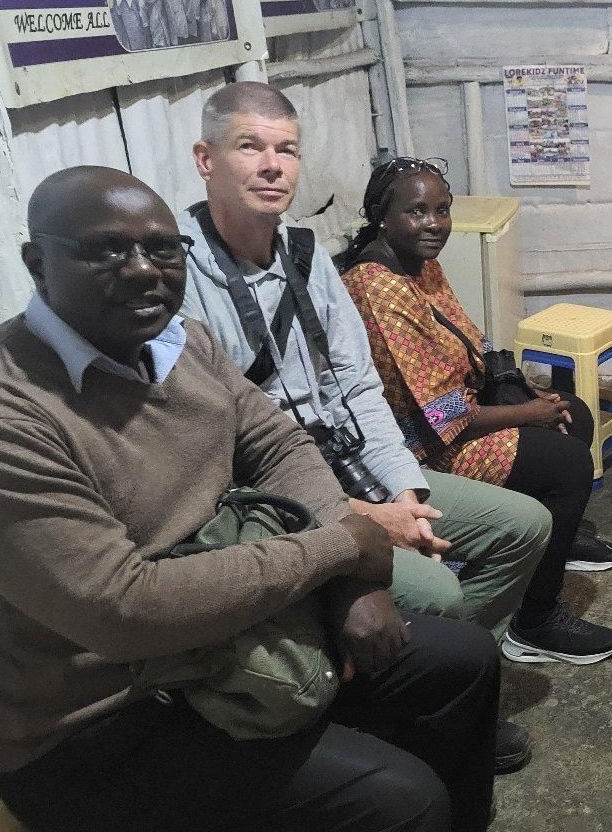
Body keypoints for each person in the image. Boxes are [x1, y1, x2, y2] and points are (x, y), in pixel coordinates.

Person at [0, 167, 501, 832]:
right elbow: (123, 608)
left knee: (465, 660)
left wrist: (353, 583)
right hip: (105, 711)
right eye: (107, 250)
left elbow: (280, 444)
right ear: (38, 262)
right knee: (405, 800)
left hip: (234, 635)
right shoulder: (15, 409)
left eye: (163, 248)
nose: (144, 270)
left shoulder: (184, 342)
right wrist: (342, 549)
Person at [177, 83, 549, 768]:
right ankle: (421, 693)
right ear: (206, 159)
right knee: (439, 588)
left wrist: (405, 492)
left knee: (523, 524)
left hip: (349, 458)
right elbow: (217, 453)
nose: (272, 166)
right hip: (265, 498)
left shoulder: (309, 255)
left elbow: (357, 388)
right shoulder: (178, 277)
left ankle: (437, 678)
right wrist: (367, 518)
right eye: (249, 147)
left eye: (287, 150)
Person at [339, 157, 612, 667]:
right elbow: (440, 415)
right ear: (383, 216)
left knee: (575, 413)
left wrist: (518, 389)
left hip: (456, 414)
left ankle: (553, 543)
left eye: (442, 209)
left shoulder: (420, 263)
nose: (434, 223)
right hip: (421, 448)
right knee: (566, 462)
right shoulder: (376, 287)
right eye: (417, 211)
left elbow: (471, 339)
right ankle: (534, 621)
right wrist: (526, 413)